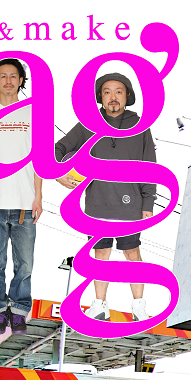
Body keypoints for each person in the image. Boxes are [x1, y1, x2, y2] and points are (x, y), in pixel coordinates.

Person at [54, 72, 156, 321]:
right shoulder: (87, 124)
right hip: (97, 204)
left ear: (127, 96)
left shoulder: (140, 126)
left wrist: (148, 202)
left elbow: (150, 165)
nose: (113, 97)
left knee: (133, 254)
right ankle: (100, 305)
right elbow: (59, 148)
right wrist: (58, 173)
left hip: (130, 206)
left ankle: (139, 307)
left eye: (118, 92)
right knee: (101, 255)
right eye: (107, 92)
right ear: (100, 96)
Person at [0, 59, 41, 335]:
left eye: (13, 76)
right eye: (2, 76)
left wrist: (38, 196)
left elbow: (39, 158)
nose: (8, 81)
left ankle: (20, 312)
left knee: (25, 264)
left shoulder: (34, 112)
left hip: (26, 202)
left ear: (21, 80)